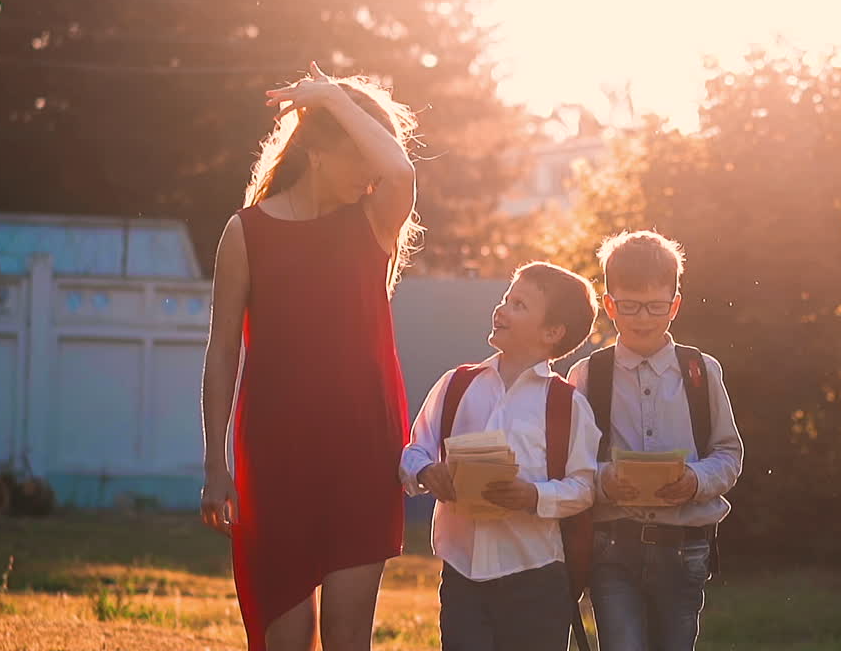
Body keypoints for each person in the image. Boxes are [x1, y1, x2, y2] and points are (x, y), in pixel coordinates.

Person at [199, 62, 420, 651]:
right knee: (284, 637)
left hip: (363, 448)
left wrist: (333, 98)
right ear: (318, 154)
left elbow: (399, 166)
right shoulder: (246, 232)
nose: (372, 177)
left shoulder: (373, 221)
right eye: (358, 162)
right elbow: (221, 353)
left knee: (350, 637)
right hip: (274, 455)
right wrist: (215, 464)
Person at [400, 261, 600, 651]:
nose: (501, 309)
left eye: (519, 305)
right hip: (462, 576)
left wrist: (534, 496)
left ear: (552, 333)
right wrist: (426, 471)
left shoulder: (566, 405)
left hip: (536, 580)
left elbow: (583, 488)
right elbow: (414, 450)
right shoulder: (456, 385)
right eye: (506, 298)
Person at [567, 230, 743, 651]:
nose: (642, 318)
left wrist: (696, 481)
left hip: (684, 551)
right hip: (612, 550)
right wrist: (605, 479)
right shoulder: (589, 376)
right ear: (609, 305)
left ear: (675, 305)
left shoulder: (701, 372)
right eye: (629, 306)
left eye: (655, 307)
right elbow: (569, 463)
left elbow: (729, 453)